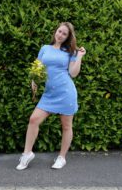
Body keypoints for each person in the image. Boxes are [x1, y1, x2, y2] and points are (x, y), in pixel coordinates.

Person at [16, 22, 86, 170]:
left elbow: (73, 73)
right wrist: (34, 80)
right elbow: (38, 66)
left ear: (68, 37)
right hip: (49, 94)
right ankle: (27, 153)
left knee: (66, 126)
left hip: (66, 92)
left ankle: (62, 157)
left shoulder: (70, 52)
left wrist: (79, 56)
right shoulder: (45, 48)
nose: (60, 35)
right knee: (34, 119)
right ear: (55, 31)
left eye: (64, 34)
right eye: (59, 31)